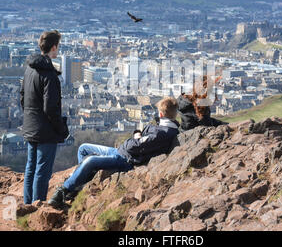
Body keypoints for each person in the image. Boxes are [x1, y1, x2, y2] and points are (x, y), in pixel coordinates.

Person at [48, 97, 180, 209]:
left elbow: (134, 147)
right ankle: (78, 185)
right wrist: (137, 137)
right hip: (122, 152)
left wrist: (135, 136)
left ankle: (62, 192)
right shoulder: (167, 128)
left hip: (126, 159)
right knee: (83, 148)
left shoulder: (161, 132)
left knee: (90, 161)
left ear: (161, 114)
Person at [20, 30, 69, 205]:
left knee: (30, 168)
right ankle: (38, 206)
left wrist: (30, 118)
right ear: (54, 47)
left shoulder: (29, 69)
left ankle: (27, 206)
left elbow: (23, 98)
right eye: (58, 46)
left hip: (30, 126)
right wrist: (61, 129)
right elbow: (51, 108)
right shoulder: (50, 76)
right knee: (42, 170)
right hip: (46, 131)